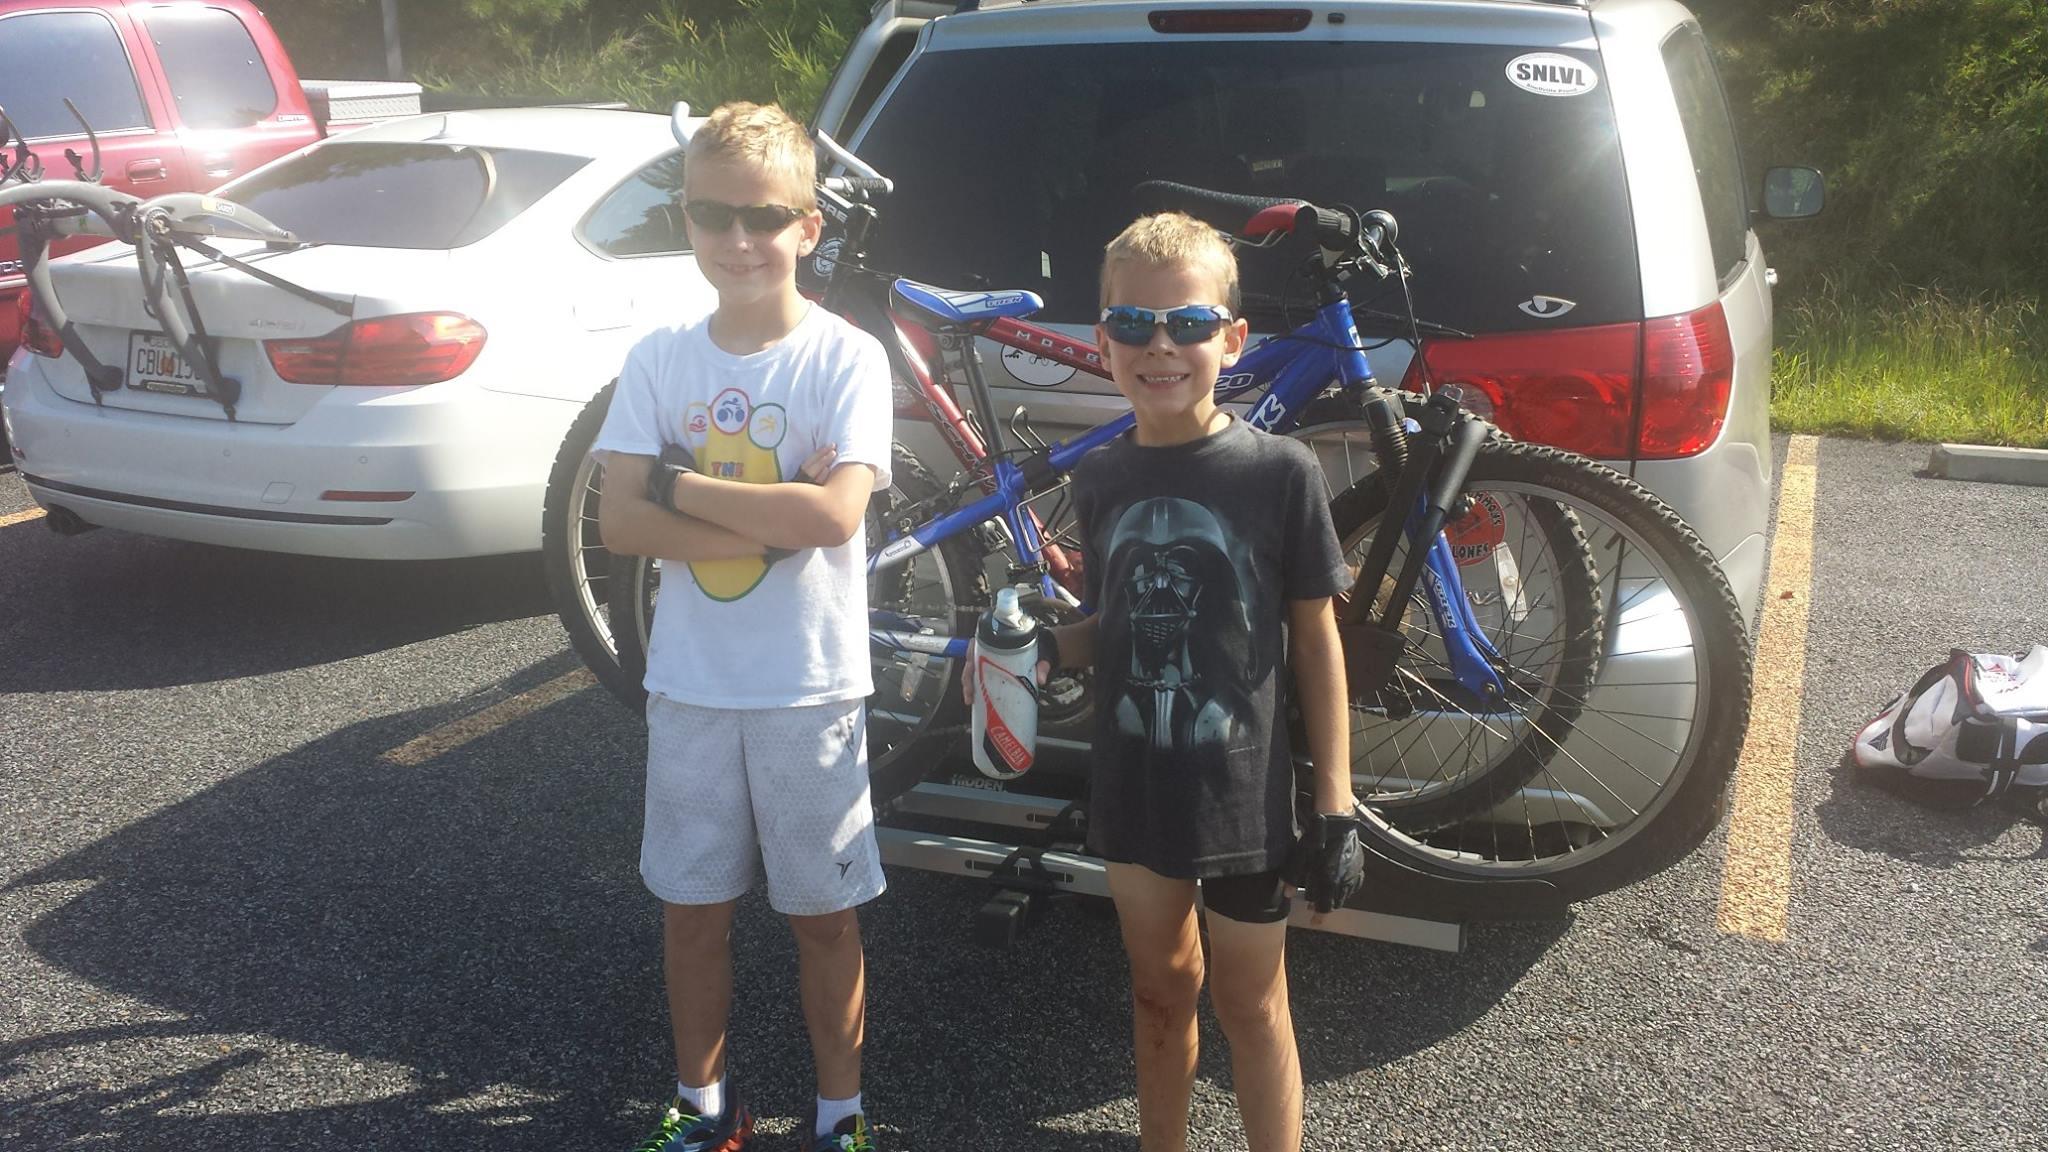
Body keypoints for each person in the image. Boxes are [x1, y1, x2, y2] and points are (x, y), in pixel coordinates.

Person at [1004, 212, 1367, 1151]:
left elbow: (1317, 640)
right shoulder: (1104, 477)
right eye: (1132, 325)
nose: (1159, 346)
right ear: (1103, 342)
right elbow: (1120, 627)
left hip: (1244, 799)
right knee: (1159, 987)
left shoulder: (1280, 473)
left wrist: (1335, 802)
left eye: (1188, 325)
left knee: (1253, 1005)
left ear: (1232, 339)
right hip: (1134, 788)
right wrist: (1037, 653)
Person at [593, 100, 891, 1152]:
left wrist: (681, 491)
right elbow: (620, 521)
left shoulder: (846, 357)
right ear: (685, 219)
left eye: (763, 218)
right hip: (692, 685)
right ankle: (705, 1105)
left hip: (808, 689)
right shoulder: (660, 357)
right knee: (691, 913)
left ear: (808, 226)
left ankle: (840, 1115)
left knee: (822, 918)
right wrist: (757, 515)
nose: (737, 240)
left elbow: (835, 515)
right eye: (712, 216)